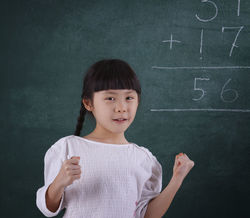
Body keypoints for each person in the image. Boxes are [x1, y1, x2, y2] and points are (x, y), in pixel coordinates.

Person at [36, 58, 195, 218]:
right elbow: (48, 209)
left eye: (129, 98)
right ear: (88, 103)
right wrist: (59, 183)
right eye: (110, 98)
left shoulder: (144, 158)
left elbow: (146, 215)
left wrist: (177, 179)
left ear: (138, 101)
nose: (121, 108)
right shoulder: (68, 148)